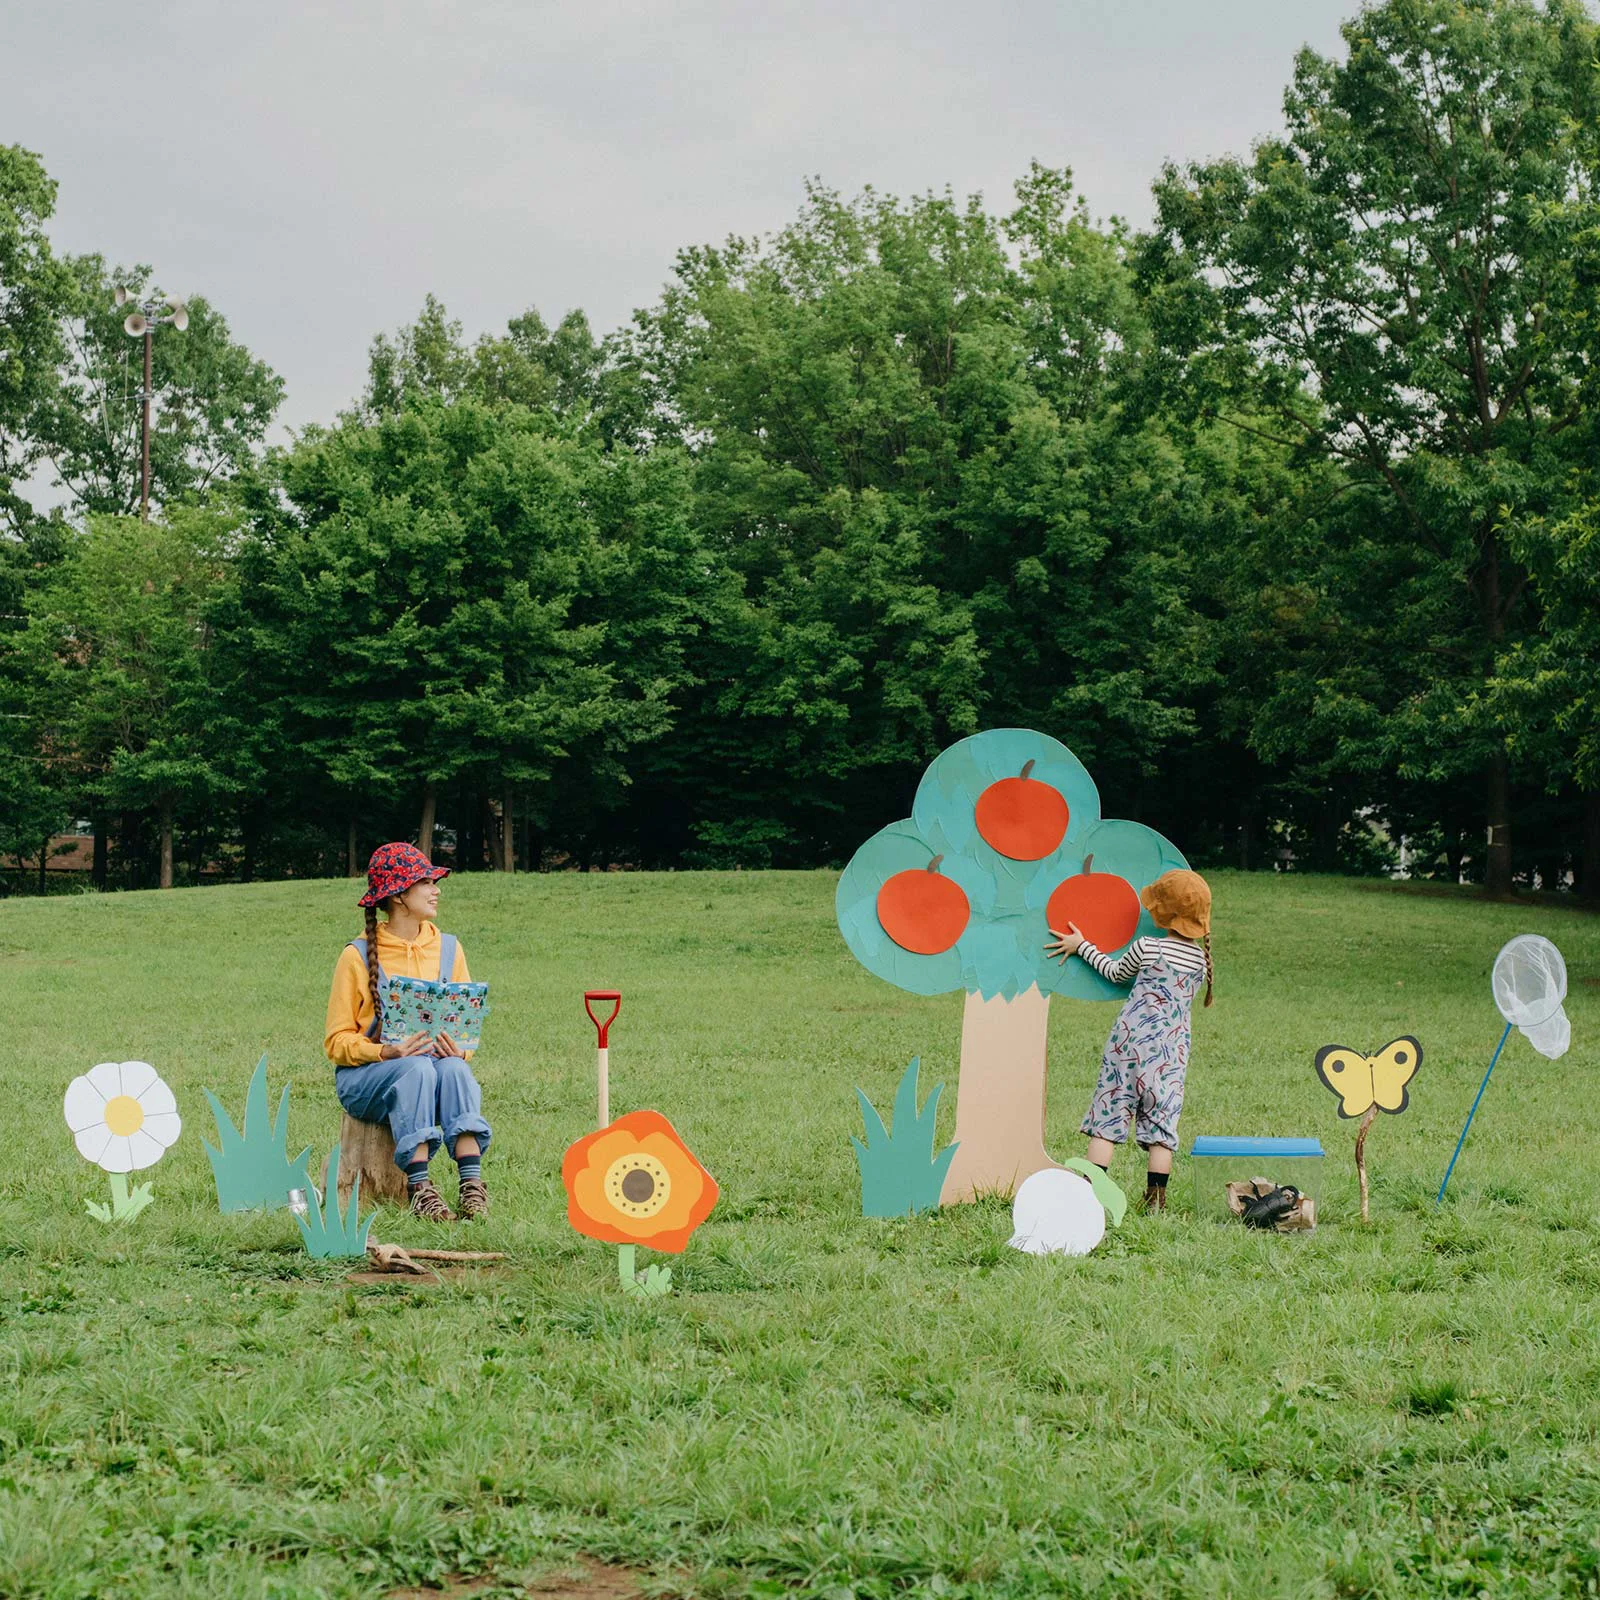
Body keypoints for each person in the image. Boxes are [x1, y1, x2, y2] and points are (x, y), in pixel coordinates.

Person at [324, 842, 492, 1222]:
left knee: (454, 1070)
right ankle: (420, 1189)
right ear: (399, 895)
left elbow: (464, 1024)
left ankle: (472, 1188)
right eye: (425, 882)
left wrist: (458, 1050)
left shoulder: (449, 948)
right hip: (366, 1081)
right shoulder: (356, 954)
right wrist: (386, 1052)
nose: (436, 890)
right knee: (416, 1068)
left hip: (433, 1072)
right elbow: (335, 1043)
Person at [1045, 868, 1213, 1214]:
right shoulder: (1201, 962)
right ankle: (1155, 1202)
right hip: (1170, 1055)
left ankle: (1087, 1196)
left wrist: (1081, 946)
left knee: (1108, 1119)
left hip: (1128, 1046)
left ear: (1163, 913)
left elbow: (1115, 973)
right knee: (1162, 1128)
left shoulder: (1148, 947)